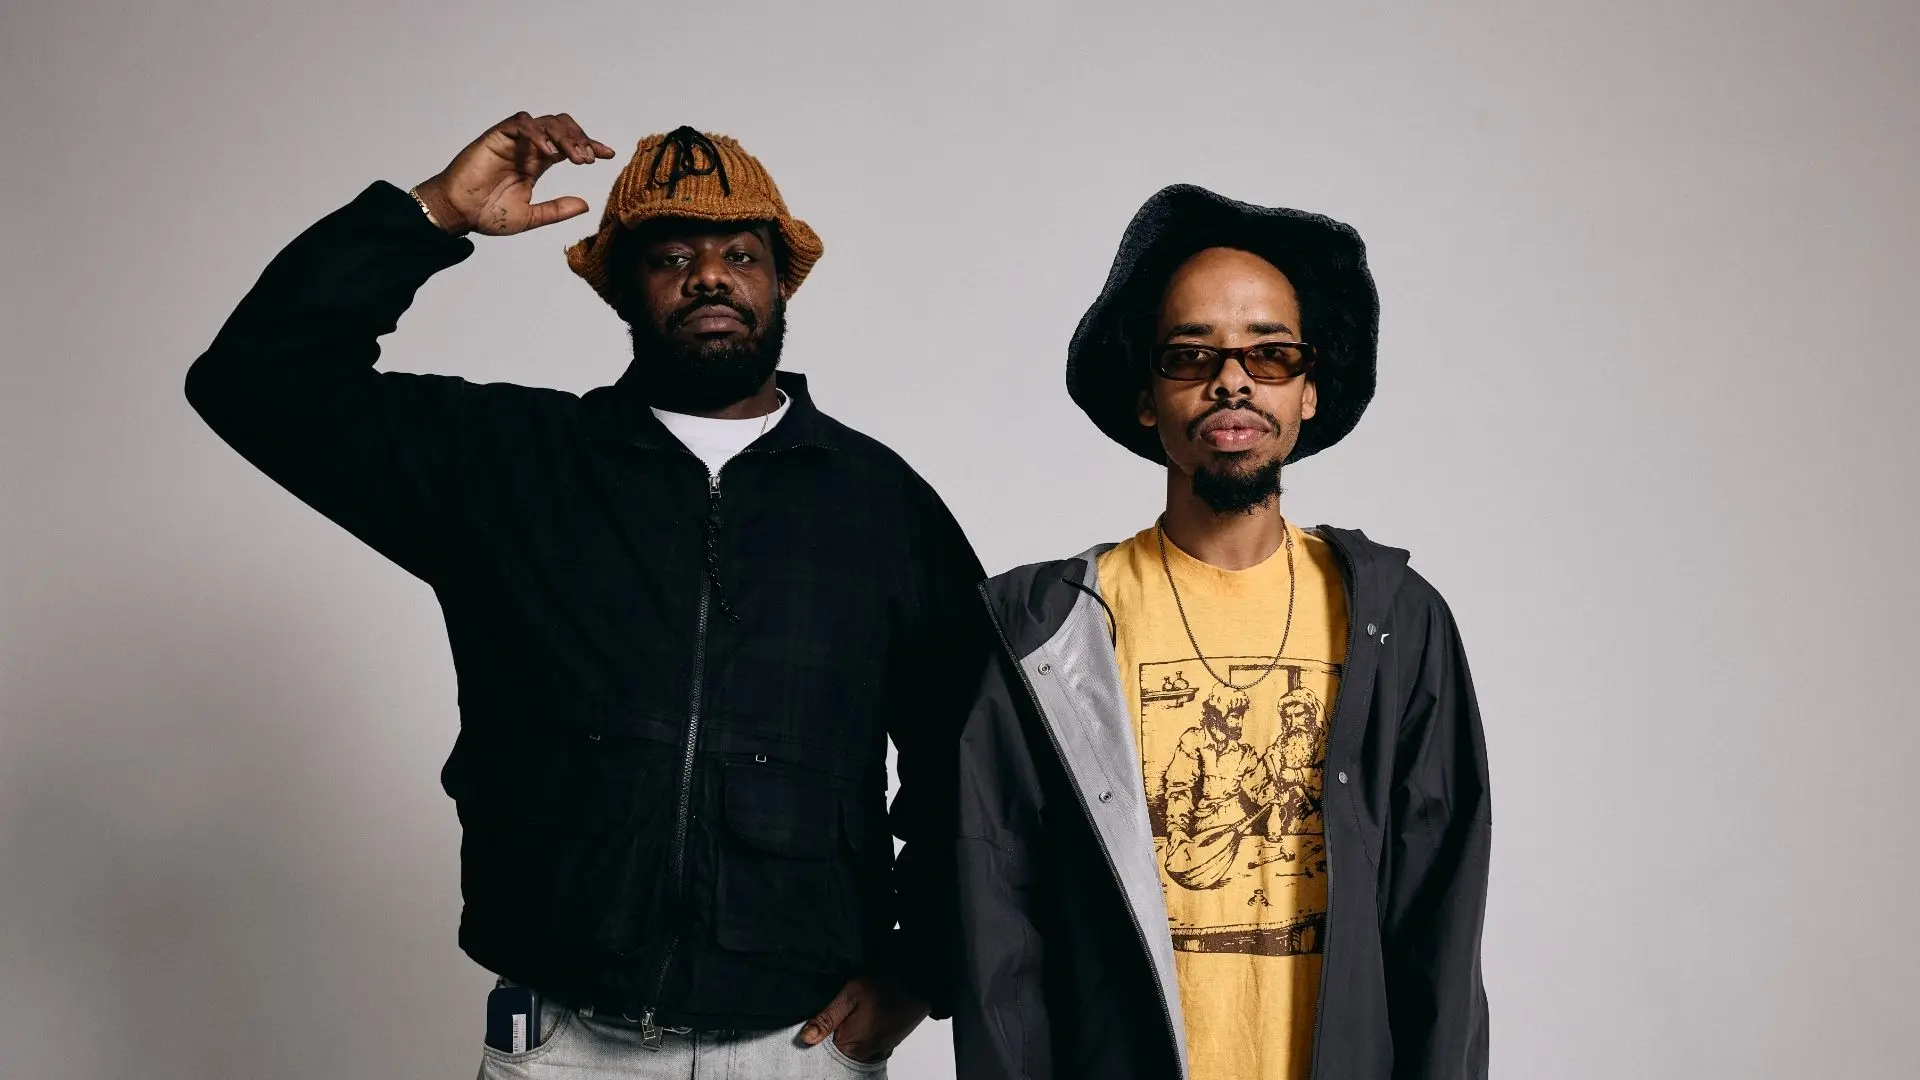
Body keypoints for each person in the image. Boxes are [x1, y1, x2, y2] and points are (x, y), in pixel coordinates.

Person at [185, 113, 985, 1078]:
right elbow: (254, 381)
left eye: (741, 253)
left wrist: (919, 970)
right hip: (564, 1045)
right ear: (623, 290)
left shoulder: (882, 505)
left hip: (801, 1048)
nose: (710, 276)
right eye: (672, 256)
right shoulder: (509, 467)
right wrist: (431, 215)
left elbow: (969, 758)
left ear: (781, 283)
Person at [953, 185, 1492, 1080]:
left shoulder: (1399, 621)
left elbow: (1441, 924)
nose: (1232, 380)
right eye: (1191, 355)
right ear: (1145, 396)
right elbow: (998, 933)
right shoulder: (1046, 631)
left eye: (1270, 354)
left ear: (1310, 391)